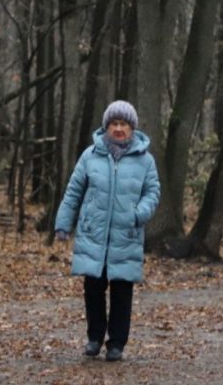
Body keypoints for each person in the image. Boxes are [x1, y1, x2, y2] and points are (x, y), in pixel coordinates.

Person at [54, 100, 160, 362]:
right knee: (93, 288)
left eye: (124, 124)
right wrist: (63, 223)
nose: (119, 128)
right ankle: (94, 337)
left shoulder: (145, 160)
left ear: (132, 128)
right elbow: (74, 190)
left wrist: (140, 213)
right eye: (114, 123)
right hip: (94, 234)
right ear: (106, 127)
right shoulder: (91, 155)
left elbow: (153, 192)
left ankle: (117, 343)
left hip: (126, 235)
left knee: (122, 292)